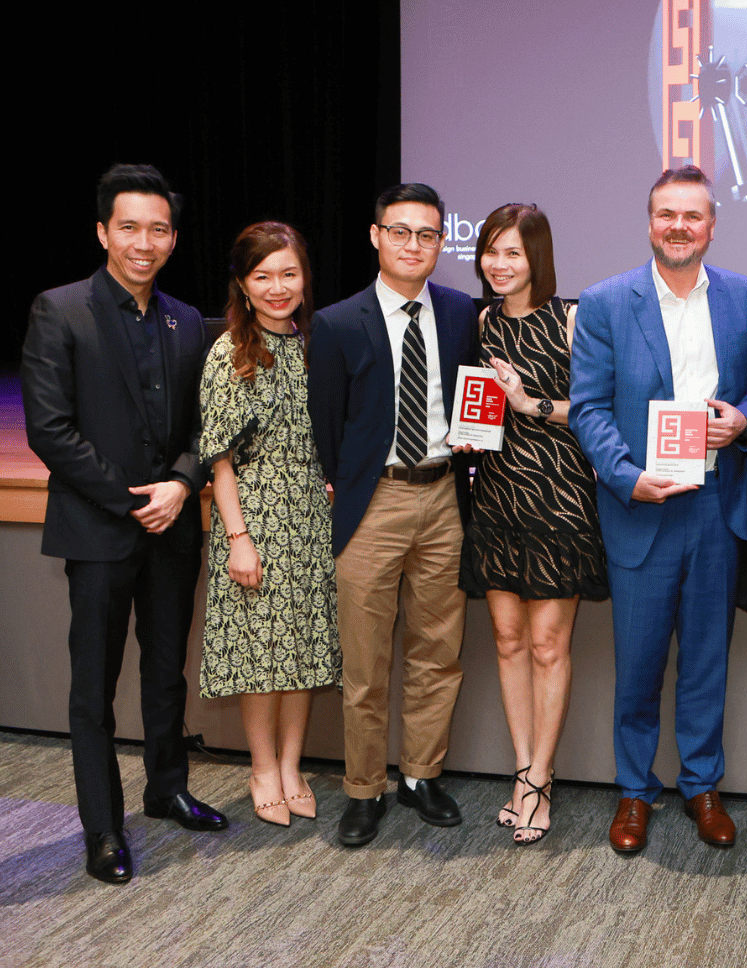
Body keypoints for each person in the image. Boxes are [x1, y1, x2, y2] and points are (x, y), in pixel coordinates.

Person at [21, 163, 228, 884]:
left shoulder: (185, 321)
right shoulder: (62, 309)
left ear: (173, 238)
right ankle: (102, 828)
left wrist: (182, 483)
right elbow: (50, 430)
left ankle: (166, 788)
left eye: (160, 229)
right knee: (95, 687)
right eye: (131, 227)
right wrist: (136, 497)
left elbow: (210, 424)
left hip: (173, 527)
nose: (146, 242)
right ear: (104, 231)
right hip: (100, 530)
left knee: (166, 670)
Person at [570, 165, 747, 853]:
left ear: (712, 224)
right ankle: (633, 791)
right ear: (649, 222)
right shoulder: (603, 302)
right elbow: (589, 408)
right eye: (666, 215)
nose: (679, 226)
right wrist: (627, 478)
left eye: (692, 215)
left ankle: (702, 785)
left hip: (715, 503)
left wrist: (742, 419)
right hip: (644, 506)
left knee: (707, 658)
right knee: (641, 659)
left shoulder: (742, 296)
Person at [308, 182, 478, 847]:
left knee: (438, 651)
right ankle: (363, 788)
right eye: (401, 231)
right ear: (376, 236)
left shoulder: (462, 312)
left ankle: (421, 775)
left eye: (429, 234)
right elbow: (326, 425)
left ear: (442, 242)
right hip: (372, 502)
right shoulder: (337, 322)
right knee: (366, 662)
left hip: (443, 498)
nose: (415, 245)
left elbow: (471, 398)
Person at [461, 203, 607, 845]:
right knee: (508, 641)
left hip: (558, 498)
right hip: (496, 495)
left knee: (549, 646)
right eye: (491, 251)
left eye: (512, 253)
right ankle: (521, 770)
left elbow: (603, 411)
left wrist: (531, 403)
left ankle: (543, 779)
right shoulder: (482, 321)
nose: (499, 263)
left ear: (536, 258)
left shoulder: (570, 320)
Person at [198, 222, 341, 827]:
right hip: (251, 516)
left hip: (310, 516)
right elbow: (220, 458)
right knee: (262, 654)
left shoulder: (316, 343)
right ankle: (262, 768)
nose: (278, 287)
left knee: (303, 648)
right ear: (243, 284)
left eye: (289, 273)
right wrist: (237, 539)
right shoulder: (231, 349)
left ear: (305, 278)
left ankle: (292, 764)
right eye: (264, 276)